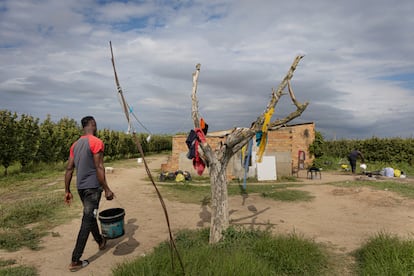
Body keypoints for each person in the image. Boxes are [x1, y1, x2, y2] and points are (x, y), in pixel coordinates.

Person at [64, 116, 115, 272]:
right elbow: (99, 167)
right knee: (87, 220)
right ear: (92, 125)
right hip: (93, 188)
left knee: (91, 215)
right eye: (96, 124)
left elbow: (69, 169)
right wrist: (106, 188)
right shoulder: (96, 142)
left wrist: (67, 190)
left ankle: (100, 241)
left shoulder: (75, 145)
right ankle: (75, 260)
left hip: (81, 188)